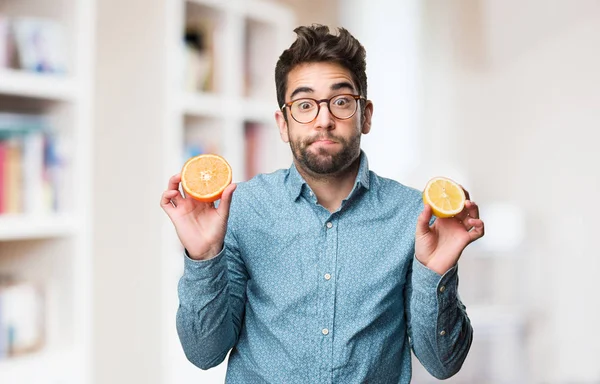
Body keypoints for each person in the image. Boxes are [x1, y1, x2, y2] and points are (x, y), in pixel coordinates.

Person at [161, 24, 484, 384]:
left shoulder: (414, 216)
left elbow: (444, 364)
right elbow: (204, 353)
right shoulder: (241, 209)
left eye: (341, 101)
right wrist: (204, 258)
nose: (324, 119)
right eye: (304, 105)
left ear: (366, 115)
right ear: (283, 124)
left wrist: (435, 273)